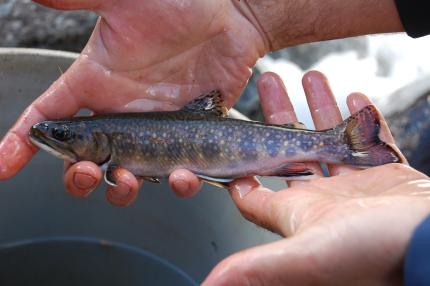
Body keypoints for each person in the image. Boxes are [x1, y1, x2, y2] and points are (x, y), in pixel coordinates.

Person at [1, 0, 430, 284]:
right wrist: (243, 13)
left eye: (61, 135)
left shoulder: (111, 156)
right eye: (61, 135)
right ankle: (338, 144)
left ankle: (339, 144)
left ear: (95, 142)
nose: (50, 136)